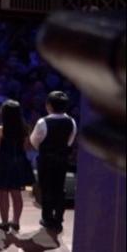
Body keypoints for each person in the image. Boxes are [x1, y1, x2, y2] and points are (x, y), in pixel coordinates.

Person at [31, 91, 76, 233]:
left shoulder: (43, 122)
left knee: (46, 188)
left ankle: (47, 218)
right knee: (59, 188)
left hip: (46, 159)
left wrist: (46, 149)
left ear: (49, 105)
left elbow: (34, 141)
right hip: (62, 159)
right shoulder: (71, 121)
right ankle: (58, 219)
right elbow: (70, 141)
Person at [0, 100, 34, 233]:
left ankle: (4, 222)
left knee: (3, 192)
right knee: (16, 193)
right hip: (19, 162)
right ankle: (16, 222)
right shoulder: (25, 129)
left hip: (3, 163)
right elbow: (27, 148)